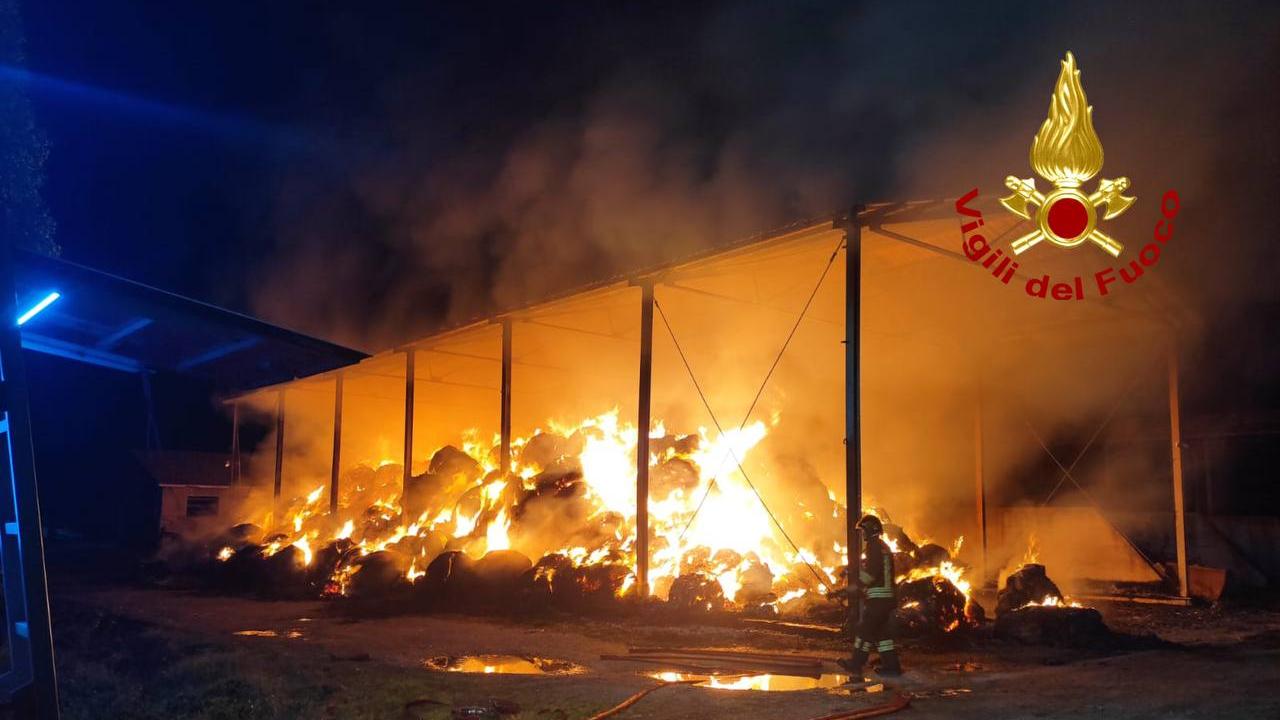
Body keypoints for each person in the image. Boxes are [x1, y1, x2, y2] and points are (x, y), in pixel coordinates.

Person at [839, 514, 902, 677]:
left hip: (878, 601)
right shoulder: (883, 547)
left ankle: (855, 664)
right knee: (883, 636)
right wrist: (851, 572)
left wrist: (853, 588)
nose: (862, 535)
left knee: (864, 631)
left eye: (863, 531)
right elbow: (874, 571)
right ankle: (892, 667)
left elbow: (871, 575)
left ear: (869, 530)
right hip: (887, 599)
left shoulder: (874, 547)